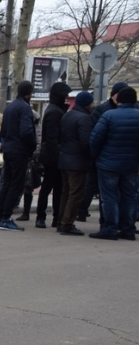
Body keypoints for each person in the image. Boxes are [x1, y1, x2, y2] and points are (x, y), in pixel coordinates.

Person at [88, 86, 139, 240]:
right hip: (131, 165)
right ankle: (128, 229)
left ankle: (110, 228)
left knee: (109, 197)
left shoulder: (109, 115)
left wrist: (96, 157)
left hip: (108, 164)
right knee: (129, 197)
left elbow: (95, 139)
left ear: (119, 100)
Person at [79, 81, 130, 222]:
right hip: (104, 158)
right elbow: (94, 134)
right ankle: (85, 212)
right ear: (114, 95)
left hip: (117, 159)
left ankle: (115, 223)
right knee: (98, 189)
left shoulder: (112, 111)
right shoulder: (103, 110)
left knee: (115, 193)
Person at [0, 80, 36, 231]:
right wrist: (32, 146)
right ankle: (5, 217)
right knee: (16, 185)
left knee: (6, 183)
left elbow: (3, 130)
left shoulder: (10, 107)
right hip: (20, 150)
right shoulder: (25, 108)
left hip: (9, 148)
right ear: (29, 93)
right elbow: (26, 131)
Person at [57, 91, 95, 236]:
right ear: (87, 104)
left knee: (66, 192)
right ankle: (67, 224)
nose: (92, 105)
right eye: (91, 103)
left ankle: (61, 221)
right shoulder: (84, 119)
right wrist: (90, 156)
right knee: (75, 194)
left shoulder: (67, 115)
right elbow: (86, 143)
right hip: (77, 162)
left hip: (64, 159)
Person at [35, 81, 71, 229]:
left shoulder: (55, 110)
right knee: (50, 187)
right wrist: (57, 157)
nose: (67, 98)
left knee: (55, 187)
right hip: (52, 157)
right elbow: (51, 138)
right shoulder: (55, 112)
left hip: (54, 155)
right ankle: (43, 216)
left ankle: (54, 217)